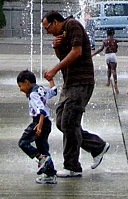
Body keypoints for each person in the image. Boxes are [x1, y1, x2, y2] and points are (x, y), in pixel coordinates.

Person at [42, 11, 109, 178]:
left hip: (81, 82)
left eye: (47, 27)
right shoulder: (64, 32)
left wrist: (54, 69)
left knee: (69, 122)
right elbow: (63, 56)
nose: (47, 31)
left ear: (56, 22)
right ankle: (97, 146)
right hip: (69, 82)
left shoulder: (73, 25)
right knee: (61, 122)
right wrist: (56, 46)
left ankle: (72, 166)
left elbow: (77, 52)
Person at [16, 69, 58, 185]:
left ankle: (41, 159)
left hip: (39, 122)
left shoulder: (33, 94)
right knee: (43, 148)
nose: (20, 89)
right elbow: (54, 91)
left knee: (23, 142)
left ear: (26, 82)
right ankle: (50, 175)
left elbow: (41, 110)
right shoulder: (41, 89)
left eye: (20, 86)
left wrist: (39, 125)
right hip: (46, 123)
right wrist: (51, 80)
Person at [92, 28, 119, 93]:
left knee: (109, 68)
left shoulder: (105, 41)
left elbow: (101, 49)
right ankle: (115, 84)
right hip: (113, 55)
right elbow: (116, 50)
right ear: (113, 33)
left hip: (107, 56)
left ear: (107, 33)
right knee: (114, 70)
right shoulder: (115, 40)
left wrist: (93, 54)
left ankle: (108, 81)